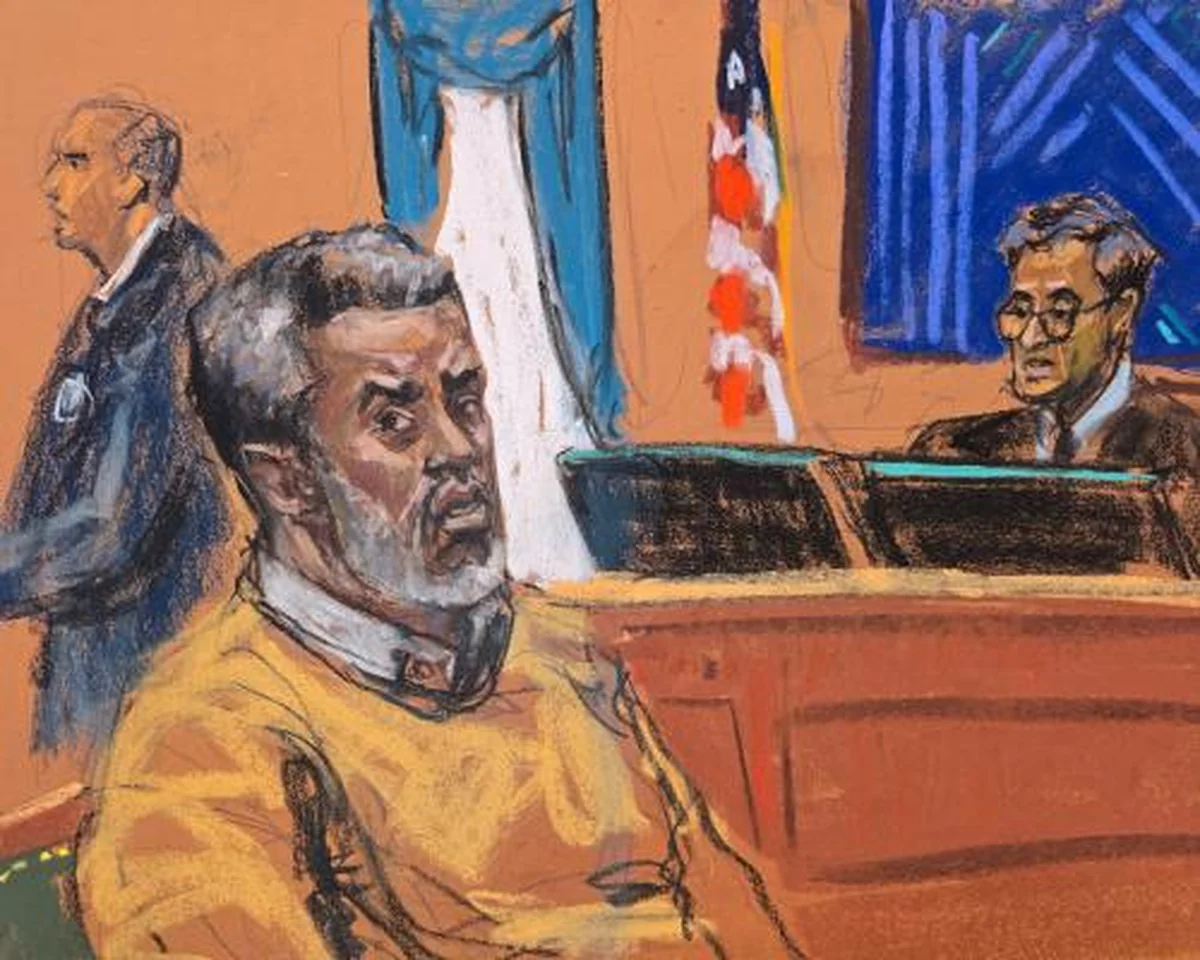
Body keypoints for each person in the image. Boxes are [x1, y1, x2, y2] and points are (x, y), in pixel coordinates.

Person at [75, 226, 803, 958]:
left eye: (465, 401)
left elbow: (740, 925)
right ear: (286, 480)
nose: (457, 450)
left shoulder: (568, 655)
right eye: (394, 422)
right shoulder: (199, 738)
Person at [0, 98, 229, 749]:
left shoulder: (177, 302)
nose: (51, 185)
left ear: (132, 180)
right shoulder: (116, 301)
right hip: (95, 668)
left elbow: (110, 528)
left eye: (75, 162)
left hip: (143, 679)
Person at [910, 193, 1200, 474]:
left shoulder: (1182, 452)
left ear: (1121, 313)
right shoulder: (948, 450)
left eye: (1060, 313)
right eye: (1020, 311)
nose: (1030, 338)